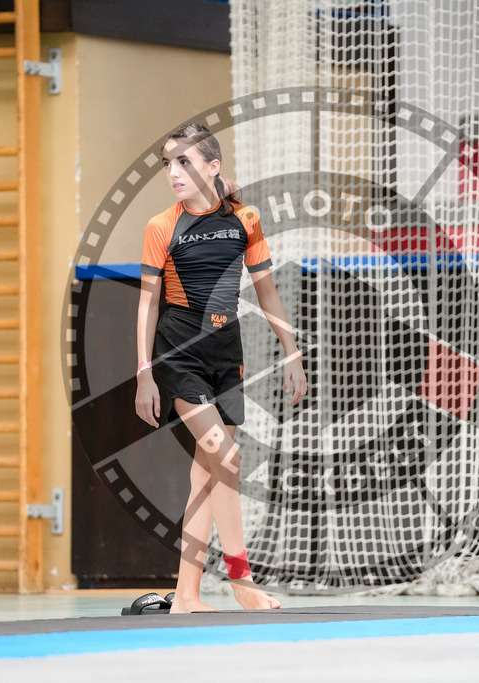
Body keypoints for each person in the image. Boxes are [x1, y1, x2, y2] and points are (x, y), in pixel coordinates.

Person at [135, 122, 307, 613]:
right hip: (178, 352)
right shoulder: (160, 226)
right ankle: (241, 582)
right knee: (227, 460)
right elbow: (147, 304)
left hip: (225, 354)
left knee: (206, 474)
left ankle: (186, 596)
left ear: (213, 167)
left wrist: (290, 351)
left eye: (184, 161)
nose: (173, 172)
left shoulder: (245, 220)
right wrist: (145, 372)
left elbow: (266, 292)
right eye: (167, 162)